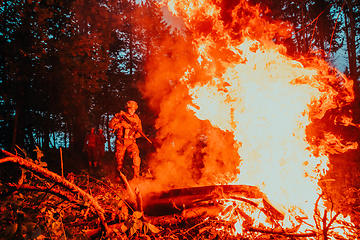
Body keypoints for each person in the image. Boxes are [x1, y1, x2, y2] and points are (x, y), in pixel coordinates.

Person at [109, 100, 142, 180]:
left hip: (131, 142)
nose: (132, 111)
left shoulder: (136, 118)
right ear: (127, 108)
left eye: (134, 109)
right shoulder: (120, 116)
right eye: (130, 109)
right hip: (121, 142)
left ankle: (135, 177)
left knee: (136, 159)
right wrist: (121, 124)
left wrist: (135, 132)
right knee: (119, 162)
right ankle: (117, 177)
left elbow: (140, 131)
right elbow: (111, 125)